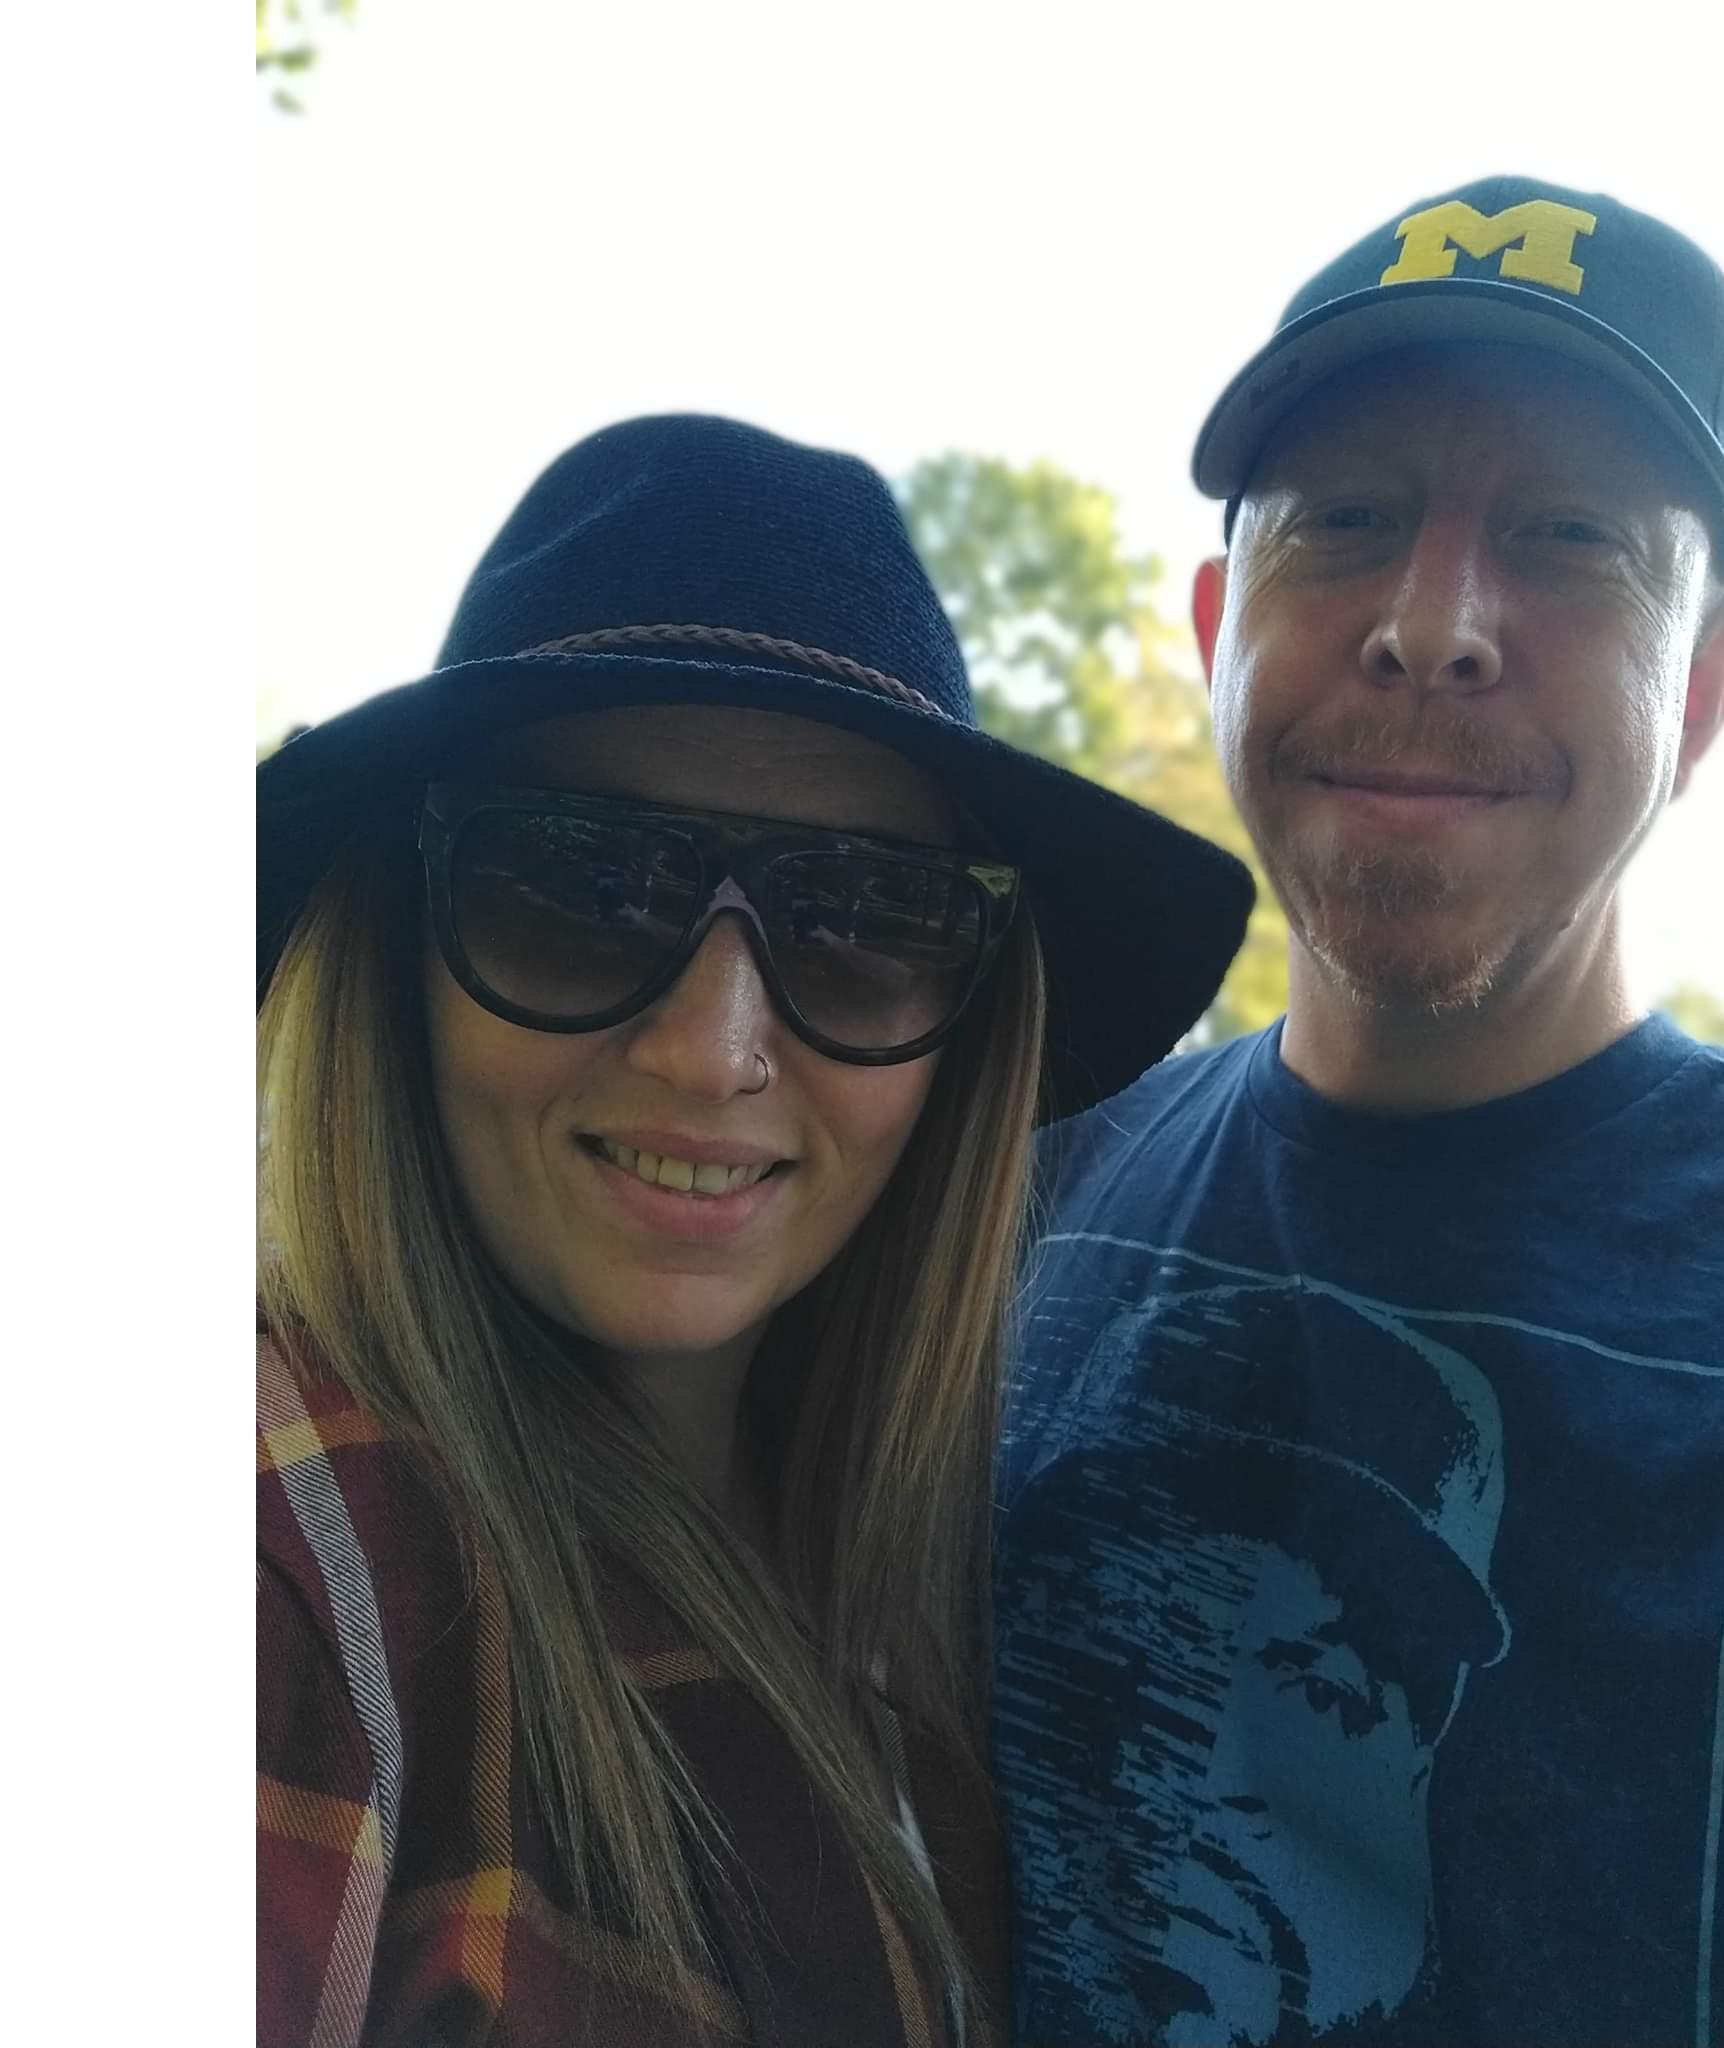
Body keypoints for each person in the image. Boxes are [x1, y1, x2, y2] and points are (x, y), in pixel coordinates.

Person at [255, 413, 1252, 2047]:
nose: (714, 1053)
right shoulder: (289, 1554)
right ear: (398, 944)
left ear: (965, 1025)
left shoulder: (948, 1612)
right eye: (580, 886)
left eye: (862, 919)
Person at [993, 175, 1724, 2047]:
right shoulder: (1022, 1198)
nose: (1434, 627)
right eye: (1344, 522)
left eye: (1569, 538)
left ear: (1709, 686)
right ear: (1219, 623)